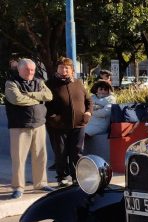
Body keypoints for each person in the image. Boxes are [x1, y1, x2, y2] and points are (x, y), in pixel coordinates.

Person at [5, 58, 53, 198]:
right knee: (19, 158)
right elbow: (16, 99)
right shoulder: (11, 83)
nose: (30, 72)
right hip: (19, 126)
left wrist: (31, 95)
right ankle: (18, 187)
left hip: (39, 124)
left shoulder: (39, 81)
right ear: (19, 69)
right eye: (27, 69)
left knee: (40, 156)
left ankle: (41, 183)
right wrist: (38, 99)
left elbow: (48, 95)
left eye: (32, 69)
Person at [46, 57, 91, 187]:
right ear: (57, 69)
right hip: (58, 126)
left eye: (67, 68)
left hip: (78, 125)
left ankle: (77, 176)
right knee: (61, 152)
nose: (64, 70)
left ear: (72, 70)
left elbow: (89, 101)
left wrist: (88, 113)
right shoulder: (50, 84)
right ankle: (62, 176)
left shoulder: (78, 83)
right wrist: (54, 118)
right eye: (61, 67)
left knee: (77, 152)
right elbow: (45, 105)